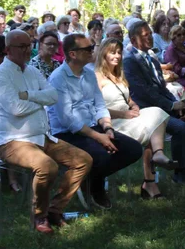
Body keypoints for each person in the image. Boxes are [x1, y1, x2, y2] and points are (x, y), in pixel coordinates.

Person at [0, 31, 91, 233]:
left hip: (42, 136)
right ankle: (40, 215)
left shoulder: (33, 72)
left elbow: (53, 96)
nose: (28, 50)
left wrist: (28, 95)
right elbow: (16, 109)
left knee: (83, 160)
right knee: (47, 166)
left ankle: (55, 208)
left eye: (29, 45)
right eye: (22, 46)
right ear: (8, 50)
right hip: (12, 141)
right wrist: (39, 101)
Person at [47, 34, 143, 210]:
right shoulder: (58, 78)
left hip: (94, 126)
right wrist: (98, 137)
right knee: (102, 154)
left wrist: (107, 128)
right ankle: (95, 186)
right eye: (87, 49)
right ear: (73, 54)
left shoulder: (89, 74)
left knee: (133, 149)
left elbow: (99, 105)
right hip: (68, 133)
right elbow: (67, 119)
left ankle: (91, 178)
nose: (92, 51)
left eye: (92, 47)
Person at [122, 20, 185, 183]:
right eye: (145, 35)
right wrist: (171, 105)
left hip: (163, 106)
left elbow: (162, 87)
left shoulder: (151, 57)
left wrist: (177, 105)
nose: (149, 38)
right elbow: (144, 92)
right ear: (134, 40)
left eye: (150, 34)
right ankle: (179, 172)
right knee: (180, 127)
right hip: (147, 111)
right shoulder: (130, 61)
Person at [94, 39, 175, 198]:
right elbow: (94, 108)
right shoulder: (96, 76)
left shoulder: (118, 74)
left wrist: (134, 105)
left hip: (129, 117)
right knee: (153, 126)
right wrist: (123, 114)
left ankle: (157, 157)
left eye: (119, 52)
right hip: (111, 123)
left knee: (157, 113)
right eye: (112, 52)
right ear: (103, 53)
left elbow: (127, 98)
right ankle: (150, 182)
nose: (117, 56)